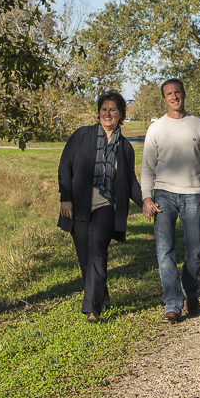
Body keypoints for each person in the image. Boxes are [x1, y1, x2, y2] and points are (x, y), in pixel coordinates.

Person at [58, 91, 144, 323]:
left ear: (121, 114)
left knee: (97, 253)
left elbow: (130, 182)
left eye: (113, 109)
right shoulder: (82, 135)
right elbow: (65, 166)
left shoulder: (125, 147)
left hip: (107, 205)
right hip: (80, 205)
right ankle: (102, 297)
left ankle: (92, 309)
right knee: (85, 259)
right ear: (99, 112)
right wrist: (65, 198)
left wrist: (145, 201)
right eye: (104, 109)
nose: (108, 113)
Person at [141, 79, 200, 325]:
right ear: (164, 99)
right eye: (169, 94)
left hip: (193, 193)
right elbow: (147, 167)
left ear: (184, 94)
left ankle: (190, 290)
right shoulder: (156, 128)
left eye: (177, 93)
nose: (174, 97)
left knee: (195, 249)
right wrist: (146, 197)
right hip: (163, 194)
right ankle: (173, 304)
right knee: (165, 251)